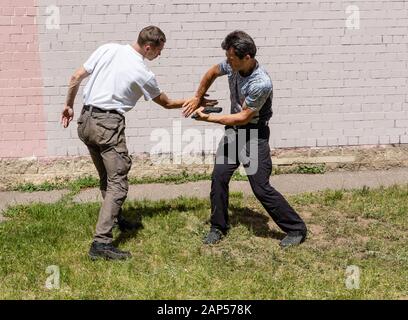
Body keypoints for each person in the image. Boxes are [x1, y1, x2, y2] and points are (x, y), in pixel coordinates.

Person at [61, 26, 216, 260]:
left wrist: (69, 105)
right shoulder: (143, 72)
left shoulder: (108, 48)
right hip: (107, 126)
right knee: (118, 183)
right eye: (159, 51)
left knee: (107, 176)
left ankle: (115, 217)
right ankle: (100, 243)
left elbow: (75, 77)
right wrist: (195, 100)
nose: (160, 55)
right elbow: (166, 102)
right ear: (148, 47)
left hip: (85, 121)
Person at [182, 30, 307, 248]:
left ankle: (296, 228)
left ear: (246, 57)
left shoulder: (261, 83)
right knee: (219, 177)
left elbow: (243, 117)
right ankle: (218, 227)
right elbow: (212, 72)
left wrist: (207, 118)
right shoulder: (232, 64)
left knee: (260, 187)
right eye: (228, 57)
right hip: (233, 132)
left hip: (253, 135)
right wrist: (198, 96)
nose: (227, 62)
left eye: (231, 58)